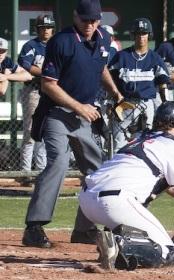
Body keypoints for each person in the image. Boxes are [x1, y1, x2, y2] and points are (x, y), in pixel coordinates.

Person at [79, 101, 174, 270]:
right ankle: (119, 244)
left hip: (87, 201)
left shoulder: (140, 138)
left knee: (155, 237)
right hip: (116, 202)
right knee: (169, 255)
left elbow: (170, 187)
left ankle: (120, 241)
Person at [21, 0, 123, 248]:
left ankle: (84, 230)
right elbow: (48, 85)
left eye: (94, 20)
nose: (89, 24)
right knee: (58, 162)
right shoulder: (62, 41)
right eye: (85, 19)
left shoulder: (103, 40)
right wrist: (80, 107)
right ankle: (33, 228)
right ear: (75, 16)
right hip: (57, 113)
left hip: (83, 117)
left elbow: (102, 68)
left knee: (97, 171)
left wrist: (116, 93)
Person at [109, 17, 170, 152]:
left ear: (149, 35)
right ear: (133, 35)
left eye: (144, 33)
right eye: (138, 33)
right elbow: (109, 79)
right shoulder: (121, 56)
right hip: (123, 104)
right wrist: (111, 99)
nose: (141, 37)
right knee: (119, 143)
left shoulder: (155, 58)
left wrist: (165, 104)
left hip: (145, 104)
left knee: (143, 144)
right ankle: (120, 172)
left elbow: (163, 84)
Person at [17, 15, 55, 173]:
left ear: (52, 29)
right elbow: (24, 64)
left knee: (47, 130)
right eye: (42, 27)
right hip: (33, 90)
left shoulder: (57, 44)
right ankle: (25, 171)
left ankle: (41, 169)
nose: (45, 30)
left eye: (48, 27)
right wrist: (46, 73)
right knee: (30, 132)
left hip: (53, 91)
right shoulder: (31, 45)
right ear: (37, 29)